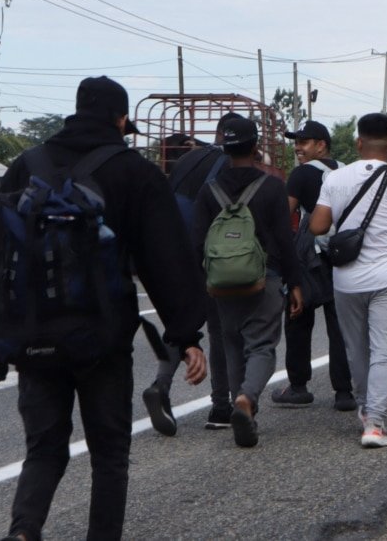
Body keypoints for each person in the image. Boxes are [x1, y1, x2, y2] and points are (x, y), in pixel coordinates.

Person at [0, 76, 208, 541]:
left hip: (31, 331)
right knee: (109, 453)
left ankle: (23, 532)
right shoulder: (134, 172)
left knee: (43, 447)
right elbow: (164, 259)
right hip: (102, 335)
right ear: (121, 121)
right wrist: (186, 335)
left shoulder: (26, 165)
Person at [309, 113, 387, 448]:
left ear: (358, 142)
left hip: (346, 280)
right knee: (386, 350)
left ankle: (367, 407)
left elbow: (318, 227)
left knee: (357, 350)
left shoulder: (335, 179)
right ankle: (374, 424)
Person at [192, 116, 303, 448]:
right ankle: (246, 399)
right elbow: (286, 239)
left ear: (225, 149)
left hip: (221, 284)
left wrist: (204, 282)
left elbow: (197, 242)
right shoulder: (271, 187)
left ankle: (244, 410)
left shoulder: (209, 190)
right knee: (262, 346)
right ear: (256, 147)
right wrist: (295, 282)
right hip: (263, 276)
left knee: (232, 344)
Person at [143, 112, 240, 436]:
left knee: (182, 322)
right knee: (219, 329)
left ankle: (161, 384)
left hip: (173, 250)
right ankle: (221, 406)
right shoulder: (232, 167)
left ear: (216, 133)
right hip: (210, 254)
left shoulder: (188, 158)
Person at [270, 120, 356, 412]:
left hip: (311, 256)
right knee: (340, 324)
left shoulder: (302, 174)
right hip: (345, 253)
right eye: (296, 142)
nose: (297, 148)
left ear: (321, 145)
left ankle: (298, 387)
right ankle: (344, 392)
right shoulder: (348, 170)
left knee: (298, 318)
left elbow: (284, 215)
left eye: (304, 142)